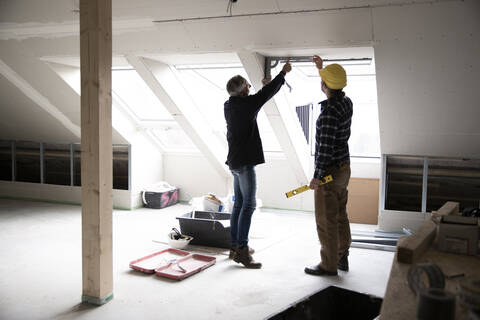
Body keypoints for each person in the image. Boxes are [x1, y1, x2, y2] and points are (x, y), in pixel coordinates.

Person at [224, 60, 292, 269]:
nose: (249, 88)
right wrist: (283, 73)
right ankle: (242, 252)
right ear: (241, 91)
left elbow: (257, 97)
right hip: (244, 163)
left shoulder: (230, 105)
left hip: (235, 162)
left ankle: (235, 246)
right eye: (247, 85)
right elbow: (265, 95)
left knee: (239, 204)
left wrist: (265, 85)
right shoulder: (246, 105)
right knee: (249, 205)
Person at [305, 55, 353, 276]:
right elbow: (331, 86)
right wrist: (321, 69)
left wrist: (317, 177)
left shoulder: (327, 115)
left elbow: (324, 149)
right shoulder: (346, 102)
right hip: (344, 168)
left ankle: (328, 264)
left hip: (330, 172)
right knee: (340, 214)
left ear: (325, 85)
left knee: (326, 220)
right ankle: (342, 255)